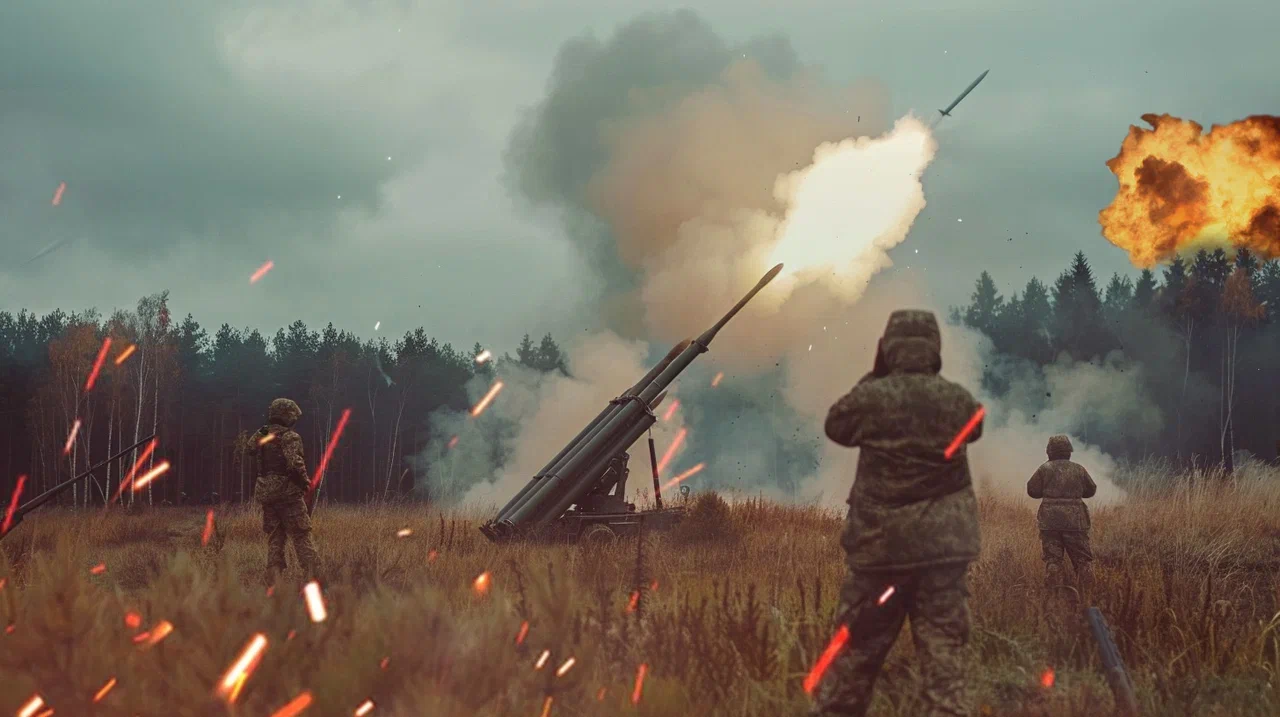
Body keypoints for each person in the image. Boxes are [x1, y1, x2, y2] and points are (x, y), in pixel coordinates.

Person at [813, 309, 984, 717]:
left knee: (854, 656)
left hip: (881, 552)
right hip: (942, 553)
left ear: (888, 349)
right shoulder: (957, 399)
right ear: (934, 348)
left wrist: (876, 376)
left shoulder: (871, 398)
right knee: (945, 662)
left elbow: (837, 425)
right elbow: (975, 426)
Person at [249, 398, 321, 582]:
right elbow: (295, 464)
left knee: (275, 536)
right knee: (301, 533)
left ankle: (273, 579)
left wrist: (265, 430)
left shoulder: (264, 431)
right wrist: (305, 483)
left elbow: (249, 447)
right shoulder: (290, 437)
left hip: (266, 492)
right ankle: (314, 576)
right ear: (287, 415)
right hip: (287, 493)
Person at [1026, 435, 1096, 594]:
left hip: (1050, 521)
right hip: (1075, 522)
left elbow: (1032, 490)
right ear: (1069, 451)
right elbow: (1090, 490)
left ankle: (1053, 596)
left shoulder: (1044, 469)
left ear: (1049, 451)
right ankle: (1089, 596)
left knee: (1053, 561)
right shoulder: (1079, 469)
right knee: (1083, 561)